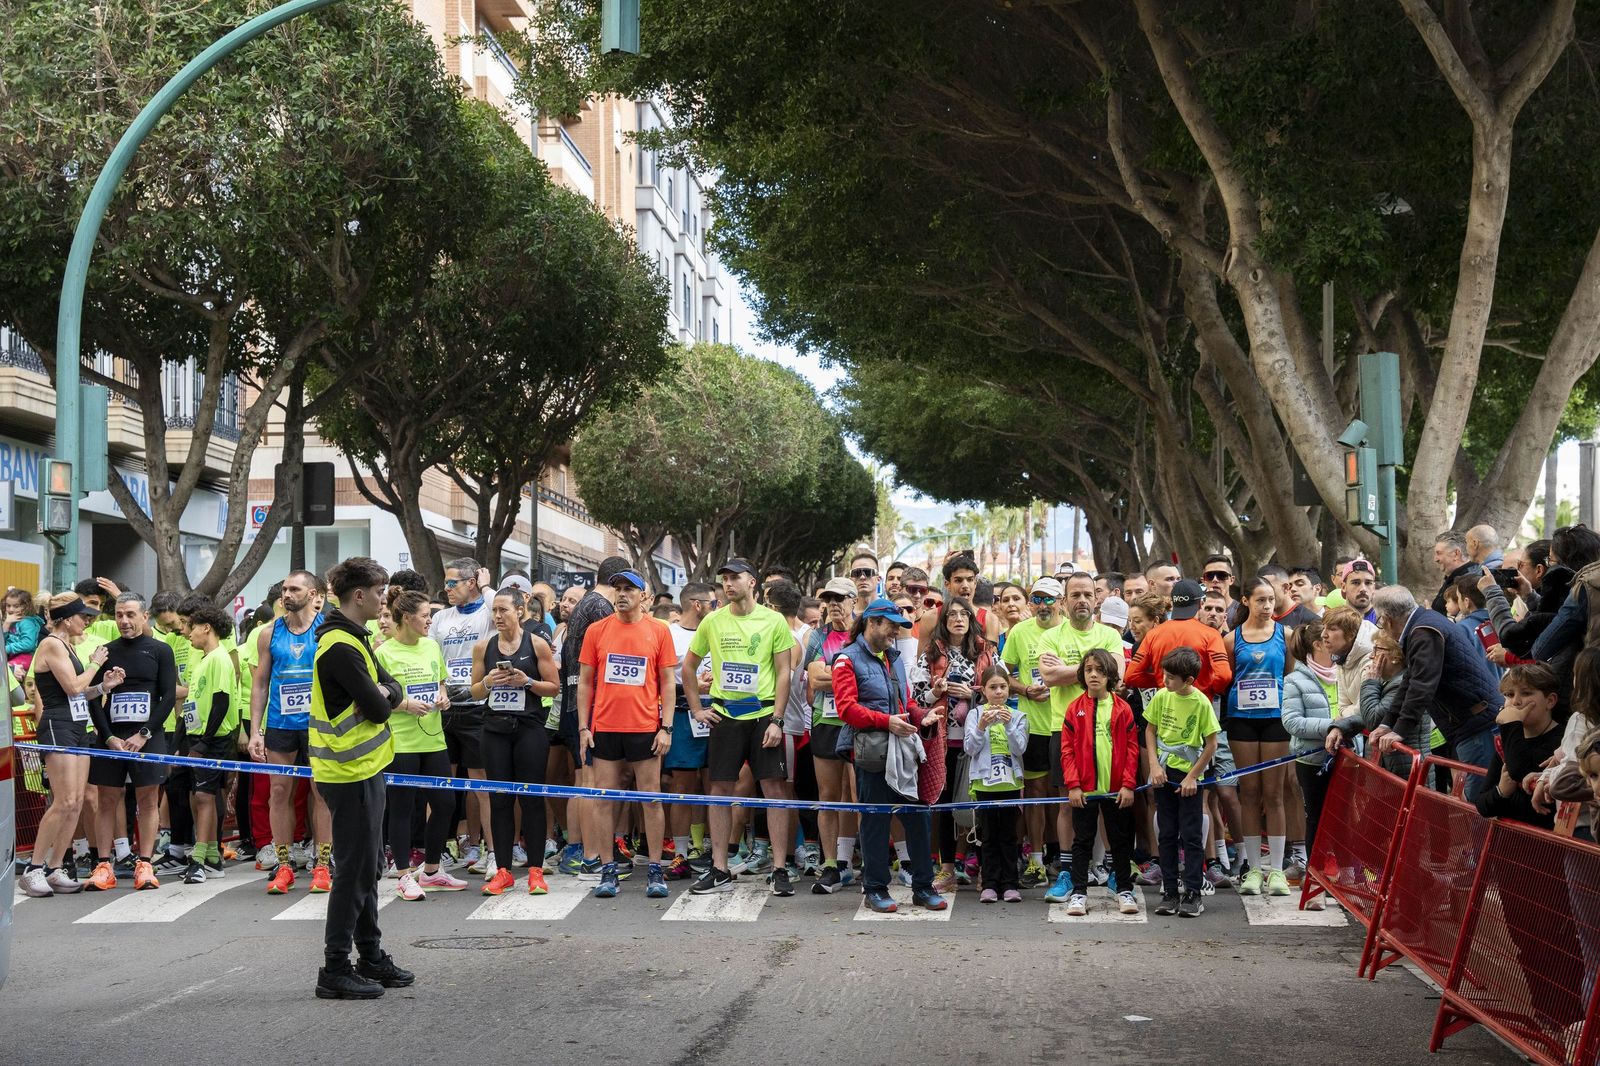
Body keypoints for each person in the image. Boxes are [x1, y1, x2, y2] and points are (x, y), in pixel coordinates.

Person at [311, 556, 416, 1001]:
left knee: (368, 869)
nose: (383, 600)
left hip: (364, 769)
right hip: (347, 772)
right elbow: (378, 705)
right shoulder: (339, 646)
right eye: (379, 592)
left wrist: (387, 693)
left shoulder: (354, 638)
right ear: (359, 595)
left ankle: (370, 956)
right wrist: (387, 695)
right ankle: (335, 968)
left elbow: (390, 687)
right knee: (353, 872)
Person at [683, 558, 798, 896]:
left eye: (735, 577)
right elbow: (688, 668)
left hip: (763, 716)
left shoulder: (773, 620)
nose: (729, 583)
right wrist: (696, 709)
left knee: (774, 790)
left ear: (753, 583)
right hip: (724, 715)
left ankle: (779, 869)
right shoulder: (713, 621)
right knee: (720, 789)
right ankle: (719, 867)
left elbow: (784, 673)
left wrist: (777, 719)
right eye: (725, 578)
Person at [832, 597, 946, 913]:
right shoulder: (846, 659)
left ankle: (923, 887)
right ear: (873, 622)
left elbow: (904, 701)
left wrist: (921, 715)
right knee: (874, 821)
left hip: (902, 749)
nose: (896, 632)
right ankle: (876, 889)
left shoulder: (892, 657)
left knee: (919, 816)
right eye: (891, 626)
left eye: (898, 627)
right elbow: (846, 709)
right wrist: (888, 722)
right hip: (871, 754)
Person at [576, 568, 678, 900]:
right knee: (605, 800)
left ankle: (654, 868)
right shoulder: (597, 630)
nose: (622, 594)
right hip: (605, 726)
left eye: (629, 589)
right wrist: (583, 727)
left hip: (645, 727)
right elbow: (585, 683)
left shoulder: (658, 631)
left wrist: (666, 727)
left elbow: (667, 683)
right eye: (617, 588)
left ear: (643, 596)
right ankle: (608, 869)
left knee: (651, 798)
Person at [19, 594, 121, 897]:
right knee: (63, 800)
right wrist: (95, 664)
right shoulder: (51, 644)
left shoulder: (68, 646)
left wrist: (104, 686)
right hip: (57, 726)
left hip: (77, 726)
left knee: (76, 801)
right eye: (82, 616)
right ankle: (34, 868)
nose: (86, 621)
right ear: (66, 619)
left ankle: (54, 868)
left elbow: (79, 693)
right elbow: (72, 687)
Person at [1036, 572, 1126, 901]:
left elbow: (1117, 676)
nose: (1082, 600)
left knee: (1107, 802)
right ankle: (1067, 871)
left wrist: (1070, 669)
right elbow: (1048, 676)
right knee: (1067, 803)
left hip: (1106, 727)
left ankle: (1117, 870)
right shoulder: (1050, 637)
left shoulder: (1110, 635)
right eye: (1075, 594)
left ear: (1096, 598)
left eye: (1088, 593)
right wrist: (1092, 667)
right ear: (1064, 600)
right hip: (1065, 728)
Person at [1370, 585, 1502, 802]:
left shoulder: (1423, 631)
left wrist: (1400, 729)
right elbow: (1411, 680)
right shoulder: (1423, 624)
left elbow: (1422, 684)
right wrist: (1387, 724)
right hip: (1475, 721)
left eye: (1380, 622)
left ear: (1386, 619)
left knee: (1482, 802)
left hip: (1477, 725)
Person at [374, 589, 466, 900]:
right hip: (400, 742)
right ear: (406, 618)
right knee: (402, 808)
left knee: (445, 804)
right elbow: (376, 697)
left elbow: (440, 680)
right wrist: (404, 705)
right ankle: (402, 874)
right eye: (425, 616)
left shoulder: (430, 646)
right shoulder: (384, 653)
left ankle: (431, 870)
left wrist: (442, 695)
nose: (430, 621)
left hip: (433, 738)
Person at [246, 570, 332, 894]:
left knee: (320, 792)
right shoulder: (269, 634)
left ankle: (322, 864)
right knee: (278, 793)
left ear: (313, 595)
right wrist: (256, 732)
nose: (286, 594)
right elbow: (260, 683)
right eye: (284, 589)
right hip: (281, 724)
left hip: (318, 726)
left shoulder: (326, 630)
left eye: (294, 589)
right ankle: (284, 866)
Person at [83, 592, 176, 892]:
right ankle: (103, 865)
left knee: (148, 800)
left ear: (144, 616)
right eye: (119, 615)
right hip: (111, 737)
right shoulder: (105, 651)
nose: (124, 620)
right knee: (107, 799)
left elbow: (168, 697)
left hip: (146, 736)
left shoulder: (161, 651)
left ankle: (145, 863)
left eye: (130, 615)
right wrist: (108, 736)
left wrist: (144, 733)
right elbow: (93, 698)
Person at [472, 588, 560, 895]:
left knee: (531, 798)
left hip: (529, 729)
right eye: (494, 611)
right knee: (500, 799)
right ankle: (503, 870)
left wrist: (528, 682)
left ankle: (536, 870)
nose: (497, 616)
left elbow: (553, 688)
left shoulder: (536, 644)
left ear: (519, 611)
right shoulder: (484, 646)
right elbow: (474, 692)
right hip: (495, 730)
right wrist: (487, 683)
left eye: (503, 610)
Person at [912, 596, 992, 894]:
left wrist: (973, 694)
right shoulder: (931, 653)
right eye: (952, 615)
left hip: (978, 739)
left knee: (980, 804)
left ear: (971, 620)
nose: (958, 619)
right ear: (943, 621)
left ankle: (984, 868)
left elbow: (998, 690)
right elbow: (918, 698)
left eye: (964, 614)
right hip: (943, 741)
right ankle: (947, 870)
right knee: (944, 805)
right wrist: (936, 692)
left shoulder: (985, 652)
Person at [1223, 576, 1292, 897]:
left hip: (1276, 720)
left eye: (1271, 600)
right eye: (1261, 600)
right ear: (1246, 601)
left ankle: (1276, 869)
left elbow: (1291, 678)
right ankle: (1252, 869)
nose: (1267, 606)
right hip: (1241, 721)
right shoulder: (1230, 639)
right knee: (1248, 792)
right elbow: (1227, 679)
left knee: (1274, 793)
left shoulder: (1286, 635)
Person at [429, 558, 498, 874]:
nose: (446, 588)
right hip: (445, 710)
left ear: (471, 582)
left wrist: (486, 585)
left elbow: (502, 607)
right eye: (445, 582)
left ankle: (493, 853)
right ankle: (437, 852)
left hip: (478, 709)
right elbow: (431, 657)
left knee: (482, 786)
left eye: (452, 582)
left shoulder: (488, 611)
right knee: (440, 784)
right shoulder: (441, 617)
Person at [1059, 648, 1140, 917]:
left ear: (1110, 676)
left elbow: (1131, 749)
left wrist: (1128, 784)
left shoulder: (1123, 709)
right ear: (1082, 675)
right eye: (1089, 670)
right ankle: (1079, 892)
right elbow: (1067, 750)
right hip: (1084, 791)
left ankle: (1124, 889)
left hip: (1117, 790)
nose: (1094, 675)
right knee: (1082, 841)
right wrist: (1073, 785)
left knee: (1119, 840)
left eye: (1100, 671)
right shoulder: (1074, 709)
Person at [999, 577, 1066, 889]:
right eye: (1037, 599)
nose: (1043, 605)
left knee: (1064, 795)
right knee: (1037, 795)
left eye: (1049, 599)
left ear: (1060, 601)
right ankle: (1036, 860)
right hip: (1034, 726)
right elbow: (1002, 674)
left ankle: (1063, 857)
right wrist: (1024, 688)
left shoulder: (1070, 630)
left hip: (1066, 724)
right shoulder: (1019, 632)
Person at [1144, 647, 1219, 918]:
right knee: (1166, 833)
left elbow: (1211, 744)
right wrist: (1153, 765)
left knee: (1191, 834)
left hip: (1188, 776)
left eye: (1171, 678)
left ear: (1188, 680)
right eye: (1164, 675)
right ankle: (1170, 891)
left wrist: (1192, 777)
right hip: (1164, 771)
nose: (1165, 681)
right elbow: (1150, 730)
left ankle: (1193, 892)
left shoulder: (1201, 703)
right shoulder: (1162, 697)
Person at [803, 576, 862, 892]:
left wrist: (832, 673)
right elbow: (813, 678)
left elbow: (867, 677)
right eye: (830, 599)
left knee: (856, 795)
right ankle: (831, 864)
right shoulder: (817, 636)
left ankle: (855, 860)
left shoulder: (865, 632)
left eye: (841, 598)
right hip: (825, 722)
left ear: (854, 601)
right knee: (827, 796)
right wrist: (845, 675)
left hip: (857, 723)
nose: (835, 604)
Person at [177, 598, 240, 885]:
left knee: (204, 796)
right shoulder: (204, 660)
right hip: (197, 736)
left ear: (207, 627)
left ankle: (199, 858)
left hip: (213, 740)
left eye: (192, 628)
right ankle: (212, 855)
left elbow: (221, 700)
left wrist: (204, 741)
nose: (188, 633)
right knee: (200, 794)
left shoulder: (220, 658)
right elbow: (194, 702)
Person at [1279, 620, 1339, 909]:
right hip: (1312, 760)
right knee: (1318, 820)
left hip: (1349, 760)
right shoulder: (1295, 679)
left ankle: (1339, 880)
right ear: (1319, 644)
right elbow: (1292, 722)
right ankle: (1315, 883)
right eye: (1329, 637)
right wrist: (1336, 725)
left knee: (1344, 822)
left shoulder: (1345, 672)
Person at [966, 665, 1029, 903]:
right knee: (989, 835)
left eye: (1003, 687)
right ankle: (990, 884)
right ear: (984, 690)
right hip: (985, 784)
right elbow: (970, 748)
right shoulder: (975, 714)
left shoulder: (1019, 715)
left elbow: (1020, 748)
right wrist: (982, 727)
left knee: (1009, 835)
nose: (999, 692)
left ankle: (1010, 883)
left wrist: (1010, 725)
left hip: (1010, 784)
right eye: (993, 687)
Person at [1475, 664, 1564, 829]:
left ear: (1550, 701)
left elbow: (1520, 773)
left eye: (1526, 693)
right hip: (1506, 843)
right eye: (1509, 694)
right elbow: (1482, 805)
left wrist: (1510, 724)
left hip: (1545, 845)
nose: (1515, 701)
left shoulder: (1562, 741)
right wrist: (1501, 791)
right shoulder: (1509, 738)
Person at [1320, 606, 1376, 720]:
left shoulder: (1371, 659)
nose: (1323, 635)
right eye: (1324, 628)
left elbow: (1365, 709)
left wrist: (1344, 715)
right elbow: (1342, 707)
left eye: (1332, 629)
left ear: (1350, 634)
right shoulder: (1342, 656)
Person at [1431, 530, 1481, 615]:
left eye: (1439, 553)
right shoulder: (1454, 577)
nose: (1435, 559)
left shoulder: (1469, 581)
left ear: (1456, 554)